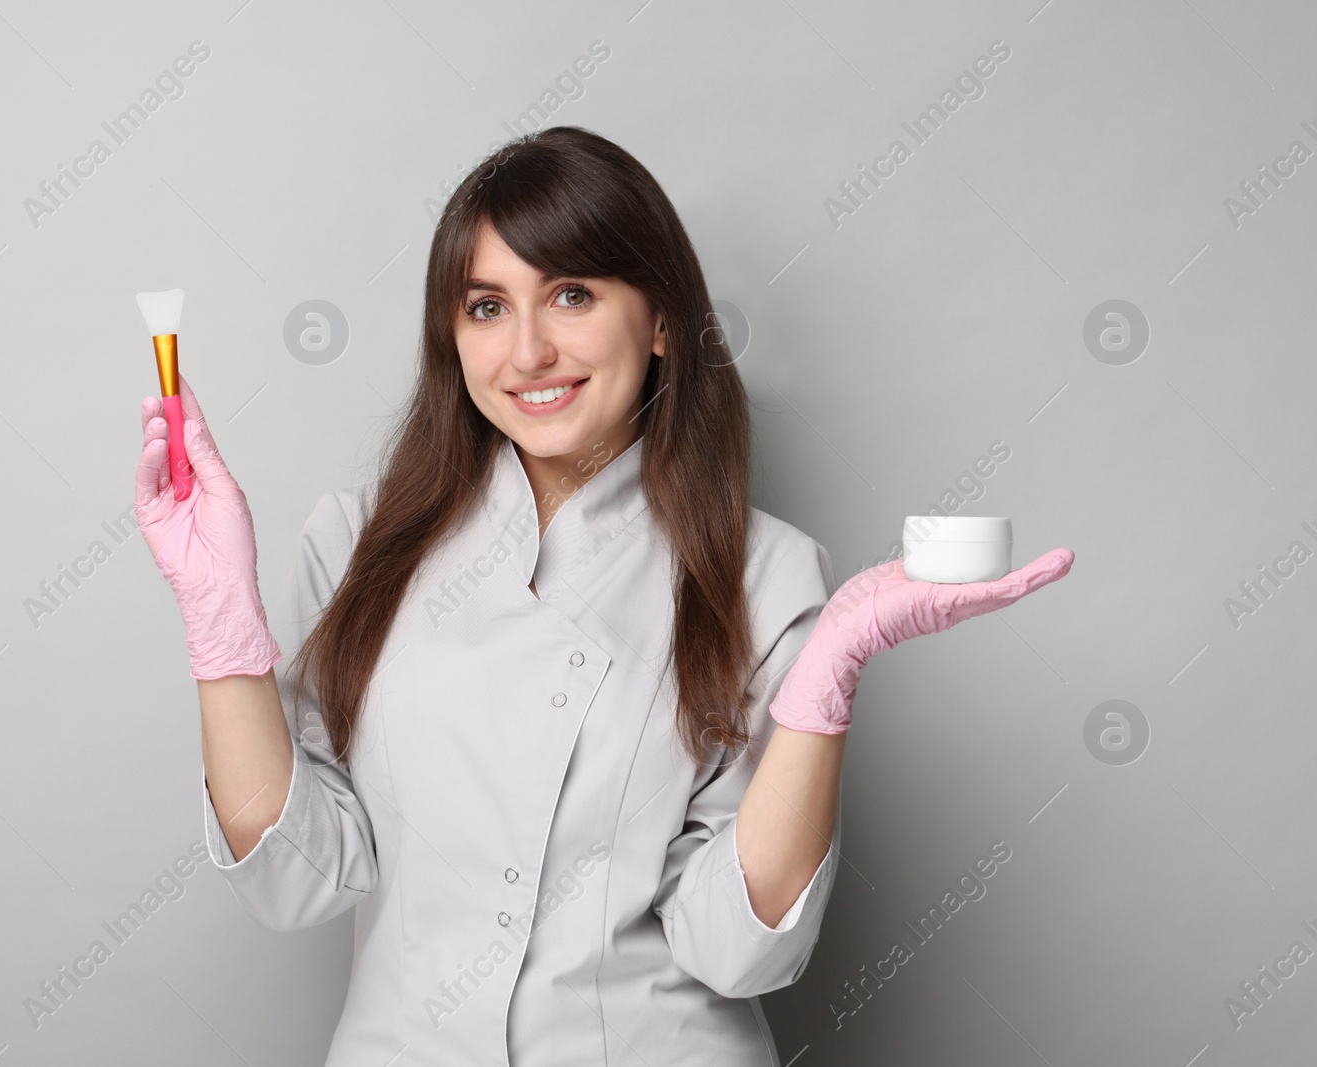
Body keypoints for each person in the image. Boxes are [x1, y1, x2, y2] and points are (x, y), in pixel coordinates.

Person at [132, 126, 1073, 1066]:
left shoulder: (766, 577)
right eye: (487, 306)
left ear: (661, 320)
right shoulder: (358, 543)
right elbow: (294, 877)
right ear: (451, 337)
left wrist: (831, 668)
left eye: (571, 295)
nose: (529, 350)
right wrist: (221, 626)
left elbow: (738, 949)